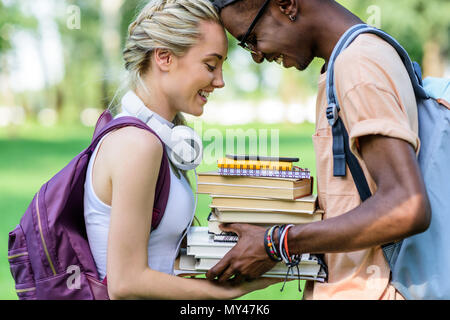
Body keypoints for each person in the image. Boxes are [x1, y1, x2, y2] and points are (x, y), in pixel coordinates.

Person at [206, 0, 431, 300]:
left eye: (252, 39)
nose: (257, 57)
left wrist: (278, 243)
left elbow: (406, 206)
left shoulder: (358, 65)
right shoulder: (349, 61)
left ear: (286, 4)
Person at [84, 0, 278, 300]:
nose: (220, 81)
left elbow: (158, 259)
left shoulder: (156, 138)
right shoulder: (138, 145)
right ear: (164, 57)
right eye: (210, 65)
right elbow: (126, 282)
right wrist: (227, 292)